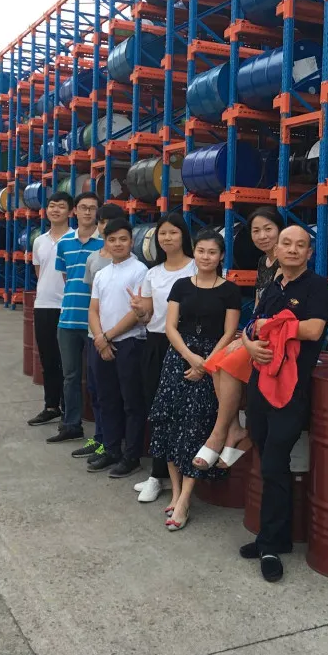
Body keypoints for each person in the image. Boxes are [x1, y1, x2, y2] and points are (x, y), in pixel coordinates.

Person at [239, 225, 328, 582]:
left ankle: (269, 546)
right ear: (276, 251)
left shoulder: (317, 286)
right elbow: (251, 326)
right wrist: (250, 344)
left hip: (291, 390)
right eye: (287, 244)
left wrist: (273, 327)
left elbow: (313, 329)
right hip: (260, 383)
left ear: (309, 253)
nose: (293, 250)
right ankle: (278, 536)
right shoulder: (272, 285)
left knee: (275, 462)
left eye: (301, 245)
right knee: (266, 456)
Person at [149, 230, 242, 531]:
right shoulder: (180, 285)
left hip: (214, 361)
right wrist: (191, 358)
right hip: (179, 357)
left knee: (197, 425)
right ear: (195, 253)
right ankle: (175, 492)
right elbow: (170, 327)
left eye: (212, 252)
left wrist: (206, 364)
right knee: (170, 422)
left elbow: (229, 333)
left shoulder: (230, 290)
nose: (206, 257)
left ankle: (186, 499)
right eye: (201, 251)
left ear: (221, 256)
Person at [193, 207, 282, 470]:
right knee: (215, 362)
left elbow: (276, 311)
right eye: (256, 231)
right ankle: (235, 428)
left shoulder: (284, 261)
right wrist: (243, 334)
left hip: (275, 335)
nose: (262, 235)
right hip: (257, 331)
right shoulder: (263, 262)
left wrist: (246, 339)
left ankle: (218, 433)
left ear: (280, 229)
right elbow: (259, 305)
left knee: (229, 364)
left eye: (268, 229)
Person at [127, 214, 196, 503]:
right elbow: (148, 317)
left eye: (173, 232)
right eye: (162, 234)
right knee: (157, 409)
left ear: (184, 236)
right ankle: (157, 475)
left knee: (185, 411)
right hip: (156, 344)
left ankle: (184, 474)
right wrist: (139, 311)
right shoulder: (152, 273)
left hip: (188, 345)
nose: (167, 238)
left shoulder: (196, 267)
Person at [86, 218, 149, 478]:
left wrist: (107, 337)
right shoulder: (102, 274)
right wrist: (99, 338)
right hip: (103, 344)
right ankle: (111, 449)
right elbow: (93, 309)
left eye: (123, 239)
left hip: (130, 343)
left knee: (131, 402)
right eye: (112, 240)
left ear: (131, 242)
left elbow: (137, 312)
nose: (118, 244)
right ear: (105, 243)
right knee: (107, 399)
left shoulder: (140, 271)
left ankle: (131, 455)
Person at [48, 191, 105, 451]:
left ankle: (103, 434)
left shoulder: (105, 242)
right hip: (68, 319)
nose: (87, 212)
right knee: (70, 376)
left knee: (97, 379)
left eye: (92, 208)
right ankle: (71, 425)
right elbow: (66, 279)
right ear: (75, 211)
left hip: (97, 324)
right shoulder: (64, 243)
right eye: (83, 207)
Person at [26, 191, 73, 427]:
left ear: (70, 212)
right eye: (52, 206)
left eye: (61, 206)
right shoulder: (39, 241)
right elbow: (39, 272)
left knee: (68, 362)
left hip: (67, 306)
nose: (55, 210)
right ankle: (51, 406)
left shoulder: (75, 239)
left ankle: (69, 410)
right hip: (43, 305)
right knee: (48, 358)